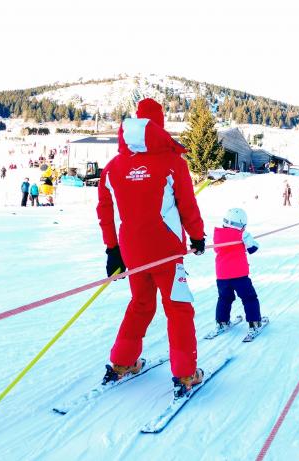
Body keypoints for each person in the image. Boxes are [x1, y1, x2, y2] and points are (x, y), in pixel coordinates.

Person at [96, 98, 206, 398]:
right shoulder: (172, 162)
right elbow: (187, 205)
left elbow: (105, 210)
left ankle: (122, 362)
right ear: (159, 125)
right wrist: (197, 237)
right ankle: (185, 373)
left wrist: (112, 250)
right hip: (167, 252)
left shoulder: (113, 167)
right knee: (178, 309)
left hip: (132, 252)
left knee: (141, 304)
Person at [212, 208, 263, 335]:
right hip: (239, 275)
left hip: (222, 276)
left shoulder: (217, 234)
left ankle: (222, 322)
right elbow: (253, 248)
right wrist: (247, 238)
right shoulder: (241, 235)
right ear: (241, 224)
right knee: (249, 298)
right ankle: (254, 322)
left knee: (224, 298)